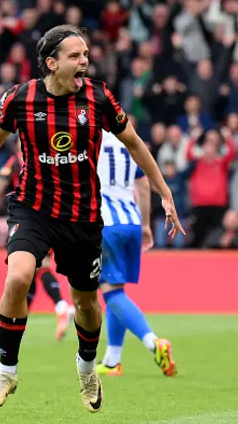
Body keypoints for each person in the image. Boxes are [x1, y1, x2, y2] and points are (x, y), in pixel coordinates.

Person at [0, 25, 185, 413]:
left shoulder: (98, 97)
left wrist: (165, 192)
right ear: (51, 62)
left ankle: (87, 368)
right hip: (33, 208)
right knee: (18, 276)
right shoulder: (20, 99)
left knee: (87, 304)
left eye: (86, 55)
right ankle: (6, 372)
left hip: (82, 215)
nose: (85, 62)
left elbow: (134, 142)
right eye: (76, 56)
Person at [0, 138, 76, 341]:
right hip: (55, 215)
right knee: (31, 270)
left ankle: (59, 305)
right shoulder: (50, 157)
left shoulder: (14, 162)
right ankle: (28, 316)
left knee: (32, 267)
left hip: (29, 221)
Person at [95, 130, 178, 377]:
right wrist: (144, 226)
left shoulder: (89, 139)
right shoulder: (129, 141)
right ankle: (112, 360)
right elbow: (143, 186)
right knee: (116, 291)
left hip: (105, 223)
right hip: (130, 221)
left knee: (109, 293)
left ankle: (154, 343)